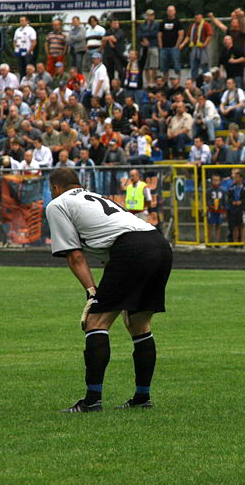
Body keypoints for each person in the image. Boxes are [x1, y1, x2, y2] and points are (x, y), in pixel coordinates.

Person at [46, 167, 172, 412]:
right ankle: (142, 397)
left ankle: (92, 400)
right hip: (158, 243)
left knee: (96, 322)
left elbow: (74, 255)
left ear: (55, 188)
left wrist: (92, 291)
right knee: (139, 325)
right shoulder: (96, 196)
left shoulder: (57, 204)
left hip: (131, 248)